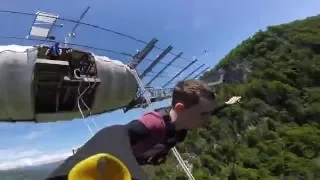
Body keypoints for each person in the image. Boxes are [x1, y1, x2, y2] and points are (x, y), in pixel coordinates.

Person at [126, 79, 241, 165]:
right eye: (204, 114)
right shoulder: (153, 124)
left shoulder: (181, 127)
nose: (208, 118)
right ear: (180, 109)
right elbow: (114, 137)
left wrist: (227, 103)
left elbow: (209, 112)